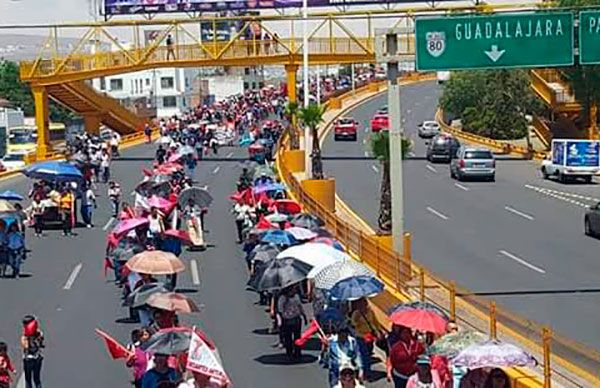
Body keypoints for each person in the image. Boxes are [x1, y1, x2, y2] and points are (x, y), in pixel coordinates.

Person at [350, 298, 382, 381]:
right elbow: (353, 324)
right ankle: (366, 372)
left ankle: (365, 369)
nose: (363, 305)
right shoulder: (356, 313)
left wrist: (378, 332)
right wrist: (357, 318)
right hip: (360, 336)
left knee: (368, 353)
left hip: (369, 336)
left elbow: (375, 322)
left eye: (364, 303)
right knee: (364, 355)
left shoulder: (370, 312)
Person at [277, 285, 307, 360]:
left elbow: (300, 307)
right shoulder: (283, 298)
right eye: (293, 289)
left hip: (296, 319)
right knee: (288, 338)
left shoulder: (296, 296)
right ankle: (289, 352)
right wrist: (279, 320)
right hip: (287, 320)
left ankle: (297, 352)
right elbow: (280, 310)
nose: (294, 290)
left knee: (297, 337)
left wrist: (304, 316)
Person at [21, 315, 44, 388]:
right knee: (37, 379)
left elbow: (25, 346)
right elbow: (41, 342)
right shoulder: (39, 334)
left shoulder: (24, 337)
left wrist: (26, 337)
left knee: (28, 380)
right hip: (37, 358)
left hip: (28, 360)